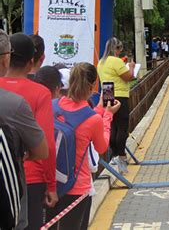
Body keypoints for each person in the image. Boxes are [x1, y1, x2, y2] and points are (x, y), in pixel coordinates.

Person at [45, 63, 120, 230]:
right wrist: (107, 116)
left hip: (51, 182)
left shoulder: (53, 106)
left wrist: (100, 110)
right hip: (77, 187)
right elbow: (101, 147)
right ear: (93, 85)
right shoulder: (93, 119)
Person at [0, 33, 58, 229]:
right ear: (31, 61)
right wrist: (51, 185)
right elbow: (47, 145)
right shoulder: (40, 93)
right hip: (28, 180)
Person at [97, 37, 135, 174]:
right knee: (122, 126)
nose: (120, 51)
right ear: (116, 48)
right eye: (119, 48)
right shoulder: (116, 61)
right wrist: (131, 67)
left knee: (112, 125)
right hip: (120, 94)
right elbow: (128, 77)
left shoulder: (101, 62)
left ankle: (114, 154)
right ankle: (121, 155)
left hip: (107, 93)